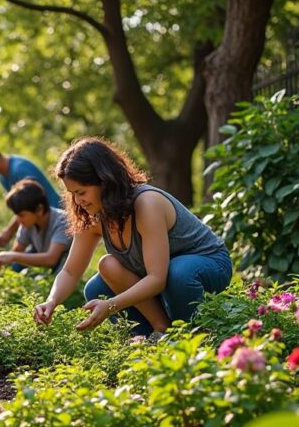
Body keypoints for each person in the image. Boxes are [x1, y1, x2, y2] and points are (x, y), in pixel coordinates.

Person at [33, 137, 232, 336]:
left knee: (178, 273)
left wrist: (110, 305)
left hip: (208, 264)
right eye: (73, 194)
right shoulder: (94, 215)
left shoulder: (146, 204)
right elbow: (70, 272)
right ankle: (157, 334)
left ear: (105, 181)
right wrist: (51, 301)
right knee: (98, 285)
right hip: (163, 276)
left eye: (82, 192)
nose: (78, 201)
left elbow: (157, 278)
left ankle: (194, 334)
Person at [0, 178, 73, 274]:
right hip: (45, 264)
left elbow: (51, 259)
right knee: (17, 265)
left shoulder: (62, 221)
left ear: (39, 210)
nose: (18, 220)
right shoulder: (28, 223)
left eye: (21, 215)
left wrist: (12, 256)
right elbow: (17, 250)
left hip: (64, 269)